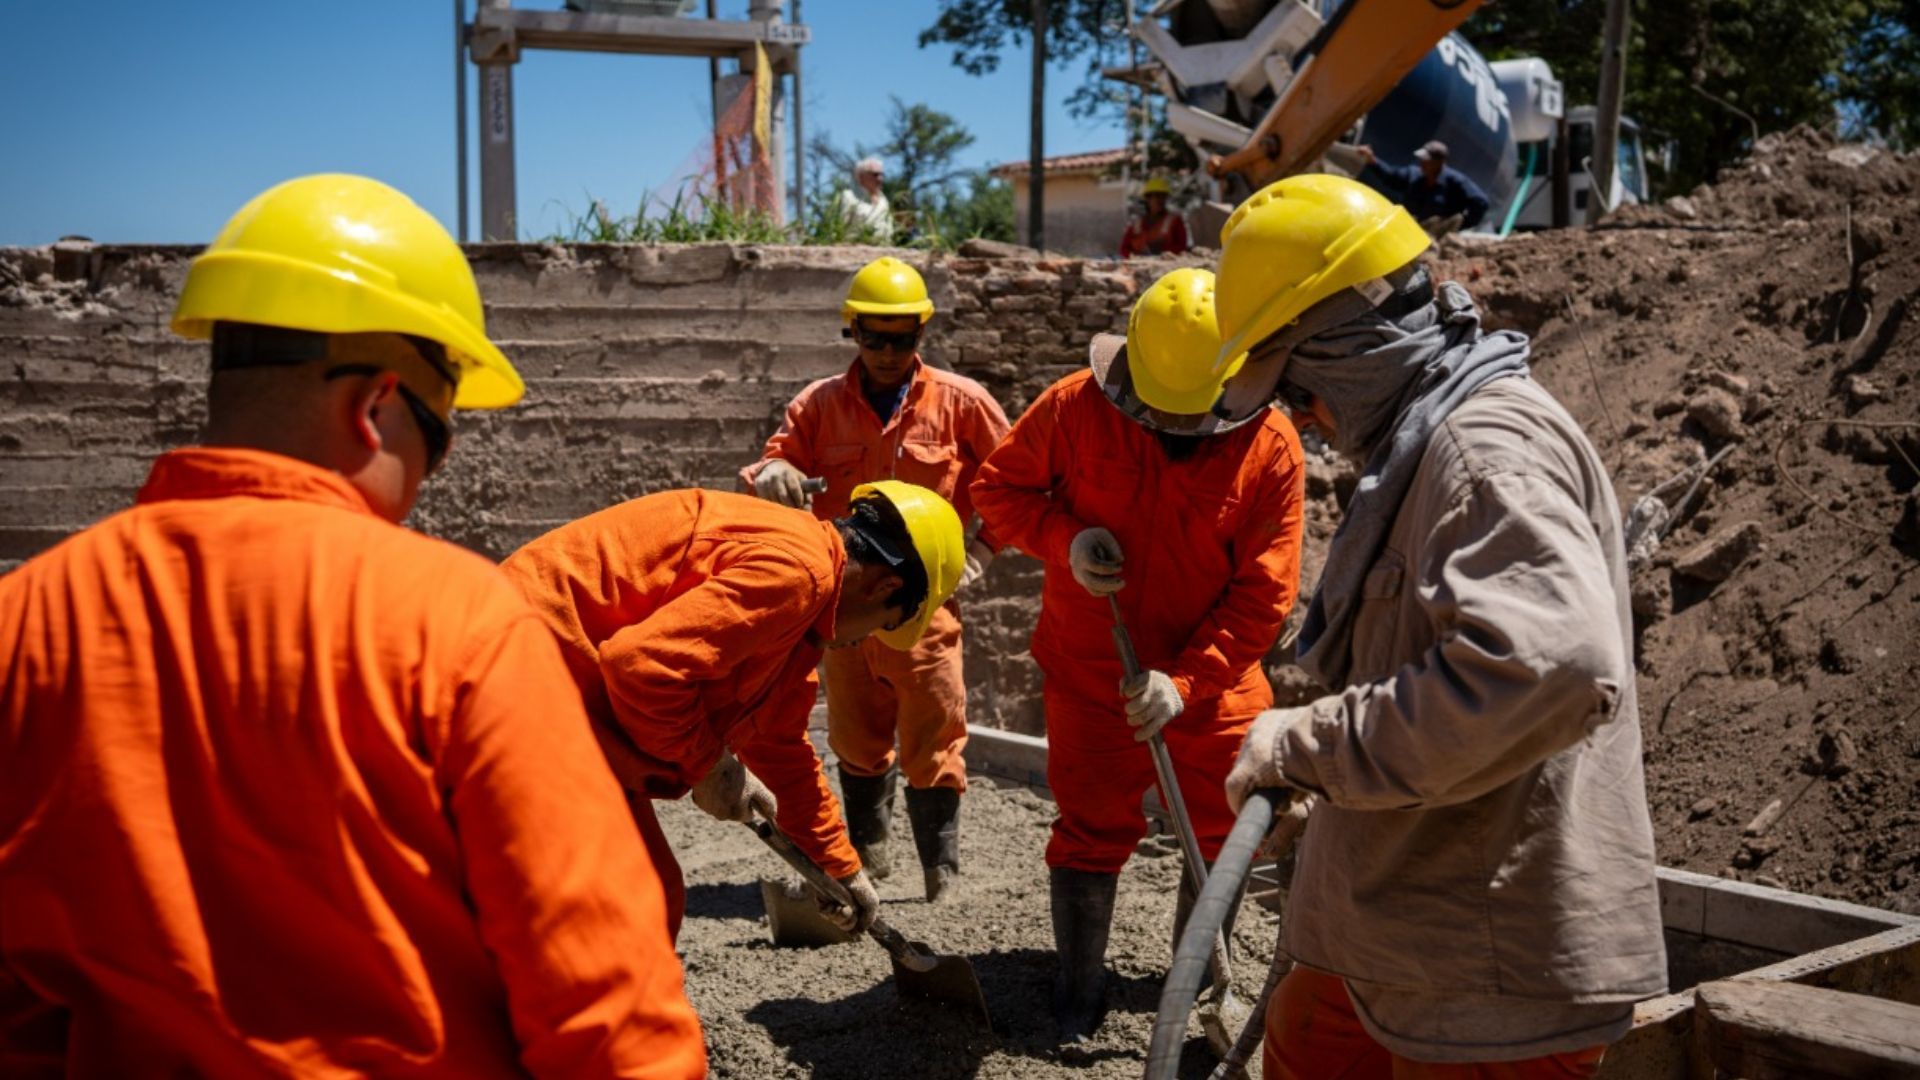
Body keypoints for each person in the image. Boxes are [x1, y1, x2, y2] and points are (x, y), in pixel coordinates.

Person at [0, 175, 705, 1077]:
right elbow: (609, 1012)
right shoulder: (458, 623)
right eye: (439, 438)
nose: (430, 475)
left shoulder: (30, 619)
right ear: (372, 409)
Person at [1208, 173, 1666, 1077]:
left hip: (1484, 975)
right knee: (1301, 1040)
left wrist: (1312, 746)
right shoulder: (1430, 447)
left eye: (1297, 390)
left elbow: (1553, 667)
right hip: (1404, 932)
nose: (1304, 421)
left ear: (1347, 348)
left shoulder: (1481, 449)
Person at [972, 267, 1307, 1042]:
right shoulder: (1072, 409)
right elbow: (998, 492)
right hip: (1093, 669)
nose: (1176, 434)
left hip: (1215, 679)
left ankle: (1190, 988)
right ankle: (1078, 996)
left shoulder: (1272, 448)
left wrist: (1186, 682)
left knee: (1228, 824)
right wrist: (1064, 539)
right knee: (1090, 827)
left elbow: (1264, 596)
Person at [500, 481, 964, 940]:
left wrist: (839, 867)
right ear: (886, 585)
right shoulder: (797, 573)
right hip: (521, 683)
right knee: (627, 906)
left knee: (645, 897)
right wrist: (709, 766)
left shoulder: (800, 608)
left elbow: (780, 747)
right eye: (883, 625)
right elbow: (641, 666)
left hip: (559, 695)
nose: (861, 641)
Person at [741, 256, 1010, 902]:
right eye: (874, 337)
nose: (889, 353)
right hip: (844, 608)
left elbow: (1015, 481)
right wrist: (771, 476)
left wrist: (983, 553)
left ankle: (939, 876)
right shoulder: (818, 407)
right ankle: (871, 855)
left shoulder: (963, 404)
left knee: (934, 737)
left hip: (925, 608)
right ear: (852, 333)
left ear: (922, 334)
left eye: (903, 338)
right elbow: (772, 465)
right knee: (855, 739)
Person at [1359, 139, 1491, 234]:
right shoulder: (1413, 175)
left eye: (1427, 160)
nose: (1422, 163)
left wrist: (1462, 224)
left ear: (1439, 162)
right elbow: (1391, 177)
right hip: (1408, 228)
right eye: (1422, 159)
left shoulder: (1455, 182)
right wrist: (1373, 161)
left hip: (1435, 235)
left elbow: (1480, 201)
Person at [1119, 176, 1190, 258]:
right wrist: (1135, 255)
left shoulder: (1175, 221)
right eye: (1155, 196)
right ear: (1147, 199)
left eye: (1162, 197)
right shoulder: (1136, 224)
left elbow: (1182, 247)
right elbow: (1124, 249)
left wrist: (1164, 250)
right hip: (1139, 264)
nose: (1159, 200)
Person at [837, 156, 895, 243]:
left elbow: (889, 229)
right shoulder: (849, 196)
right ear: (861, 176)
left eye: (882, 175)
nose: (880, 179)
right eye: (875, 174)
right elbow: (842, 227)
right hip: (857, 250)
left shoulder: (884, 201)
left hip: (883, 250)